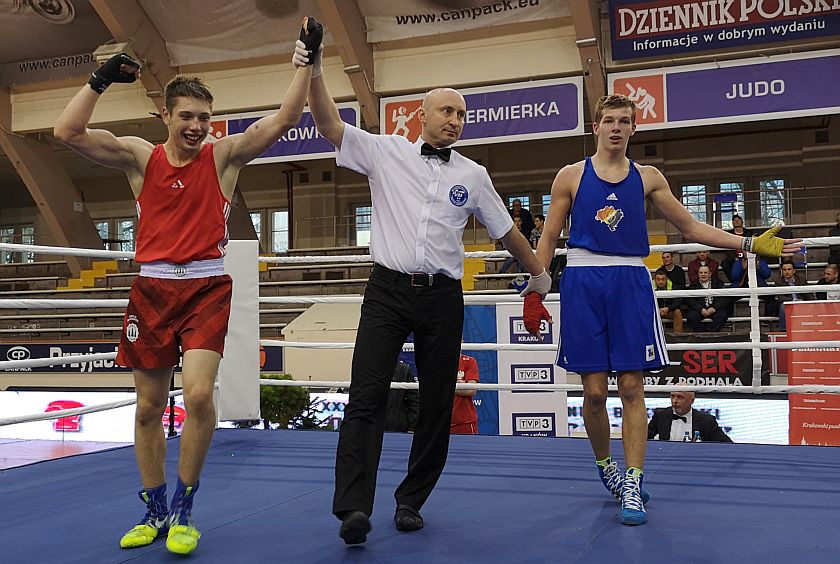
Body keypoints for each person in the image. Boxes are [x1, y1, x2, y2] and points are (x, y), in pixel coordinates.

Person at [53, 19, 321, 555]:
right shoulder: (140, 157)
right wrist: (100, 79)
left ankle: (185, 508)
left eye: (205, 117)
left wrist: (307, 60)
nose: (198, 126)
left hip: (204, 289)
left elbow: (287, 117)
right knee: (148, 407)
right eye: (188, 117)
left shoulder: (223, 158)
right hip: (151, 290)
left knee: (198, 394)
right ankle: (153, 511)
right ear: (167, 117)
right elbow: (67, 133)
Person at [296, 41, 551, 544]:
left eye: (461, 114)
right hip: (387, 290)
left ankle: (411, 499)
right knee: (366, 395)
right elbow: (328, 124)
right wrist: (317, 69)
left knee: (438, 402)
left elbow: (506, 232)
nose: (455, 120)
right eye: (447, 111)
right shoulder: (386, 150)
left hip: (441, 296)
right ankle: (353, 508)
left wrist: (539, 274)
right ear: (422, 115)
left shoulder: (472, 174)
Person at [522, 94, 799, 526]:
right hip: (583, 282)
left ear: (634, 129)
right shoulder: (570, 176)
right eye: (609, 120)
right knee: (593, 393)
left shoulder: (648, 177)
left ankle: (633, 481)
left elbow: (690, 226)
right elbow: (549, 237)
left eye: (624, 121)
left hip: (630, 282)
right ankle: (606, 469)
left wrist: (747, 242)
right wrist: (536, 287)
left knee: (631, 387)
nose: (616, 127)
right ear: (595, 127)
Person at [648, 385, 733, 443]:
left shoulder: (706, 421)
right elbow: (643, 438)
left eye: (680, 397)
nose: (674, 401)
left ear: (691, 400)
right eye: (672, 396)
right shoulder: (660, 415)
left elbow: (727, 444)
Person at [769, 260, 815, 330]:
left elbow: (809, 295)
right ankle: (783, 329)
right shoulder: (778, 282)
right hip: (789, 303)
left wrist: (807, 302)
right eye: (784, 270)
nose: (787, 272)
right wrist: (794, 300)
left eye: (789, 269)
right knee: (782, 306)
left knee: (812, 304)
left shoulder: (801, 280)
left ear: (794, 271)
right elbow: (780, 297)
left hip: (802, 302)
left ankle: (811, 327)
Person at [685, 265, 732, 332]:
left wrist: (714, 308)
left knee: (722, 314)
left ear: (710, 274)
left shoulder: (718, 283)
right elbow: (690, 300)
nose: (703, 274)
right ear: (698, 274)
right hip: (700, 310)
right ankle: (702, 333)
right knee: (691, 317)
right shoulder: (693, 285)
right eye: (701, 273)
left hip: (714, 309)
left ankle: (711, 332)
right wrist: (701, 309)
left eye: (705, 272)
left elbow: (724, 298)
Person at [384, 361, 420, 433]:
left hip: (400, 427)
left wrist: (412, 428)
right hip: (376, 428)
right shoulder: (371, 371)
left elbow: (413, 402)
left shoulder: (404, 370)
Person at [451, 353, 480, 434]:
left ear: (462, 341)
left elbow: (471, 390)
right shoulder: (436, 362)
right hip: (439, 421)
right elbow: (432, 389)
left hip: (465, 421)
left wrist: (445, 387)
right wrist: (460, 385)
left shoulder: (470, 361)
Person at [721, 214, 755, 282]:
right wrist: (735, 258)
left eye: (738, 220)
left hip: (747, 256)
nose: (736, 221)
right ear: (732, 223)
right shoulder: (728, 234)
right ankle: (734, 281)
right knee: (725, 263)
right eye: (734, 220)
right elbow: (726, 247)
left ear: (742, 222)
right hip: (734, 257)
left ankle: (749, 280)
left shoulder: (750, 233)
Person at [652, 268, 683, 334]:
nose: (660, 282)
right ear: (655, 280)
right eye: (658, 279)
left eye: (663, 279)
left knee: (677, 312)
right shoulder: (650, 288)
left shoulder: (673, 287)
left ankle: (678, 337)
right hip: (655, 312)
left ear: (667, 279)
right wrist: (657, 310)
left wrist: (668, 308)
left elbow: (678, 301)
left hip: (669, 311)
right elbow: (647, 303)